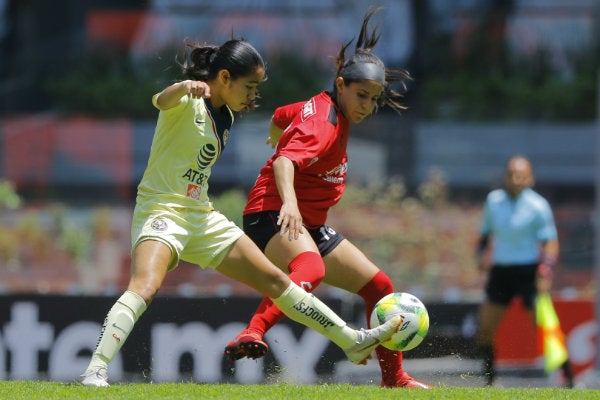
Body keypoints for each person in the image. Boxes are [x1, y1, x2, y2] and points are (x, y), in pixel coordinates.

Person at [80, 37, 403, 387]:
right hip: (163, 209)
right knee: (145, 287)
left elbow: (285, 115)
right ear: (223, 78)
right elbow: (160, 100)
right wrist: (182, 87)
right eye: (249, 87)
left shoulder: (227, 115)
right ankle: (95, 370)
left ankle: (351, 342)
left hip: (201, 216)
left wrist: (274, 130)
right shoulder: (188, 101)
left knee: (278, 281)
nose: (253, 96)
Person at [222, 9, 430, 389]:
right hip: (271, 212)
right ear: (340, 84)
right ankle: (252, 332)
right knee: (311, 270)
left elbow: (283, 114)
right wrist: (289, 204)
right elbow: (285, 161)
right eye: (361, 95)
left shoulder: (322, 106)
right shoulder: (324, 124)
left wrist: (275, 131)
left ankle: (393, 379)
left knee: (380, 287)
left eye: (374, 98)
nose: (367, 104)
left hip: (307, 221)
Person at [474, 155, 574, 387]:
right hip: (501, 273)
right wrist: (480, 254)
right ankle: (490, 382)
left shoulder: (538, 205)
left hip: (529, 274)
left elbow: (550, 241)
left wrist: (545, 271)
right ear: (505, 177)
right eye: (512, 174)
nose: (516, 179)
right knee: (485, 330)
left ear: (530, 178)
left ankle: (569, 380)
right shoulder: (494, 201)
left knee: (547, 328)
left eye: (521, 175)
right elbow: (485, 234)